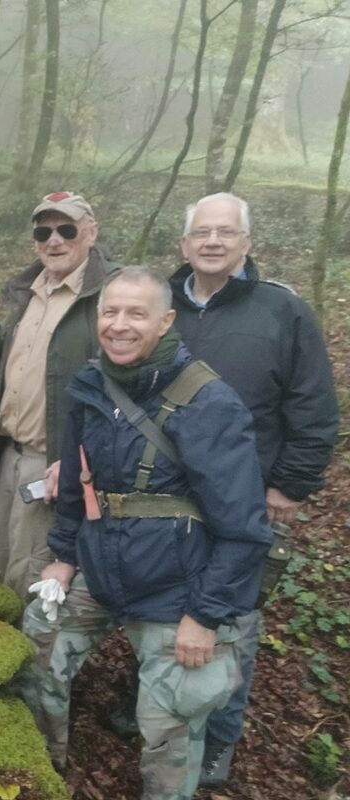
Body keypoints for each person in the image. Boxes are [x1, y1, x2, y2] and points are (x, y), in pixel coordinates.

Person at [19, 266, 273, 800]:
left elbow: (245, 530)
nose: (119, 325)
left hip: (177, 589)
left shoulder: (209, 403)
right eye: (110, 312)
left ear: (165, 321)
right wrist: (63, 557)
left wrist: (205, 616)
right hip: (100, 567)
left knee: (169, 723)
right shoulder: (89, 385)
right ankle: (40, 771)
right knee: (39, 636)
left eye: (136, 313)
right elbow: (72, 485)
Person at [168, 192, 339, 787]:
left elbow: (314, 406)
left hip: (244, 497)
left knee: (231, 620)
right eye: (201, 232)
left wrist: (289, 484)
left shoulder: (281, 312)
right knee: (166, 607)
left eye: (225, 232)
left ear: (246, 242)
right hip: (165, 492)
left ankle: (220, 738)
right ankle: (163, 704)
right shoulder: (161, 304)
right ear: (184, 243)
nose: (212, 242)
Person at [0, 192, 118, 596]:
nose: (54, 240)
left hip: (53, 460)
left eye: (66, 229)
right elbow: (11, 373)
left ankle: (32, 654)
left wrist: (76, 460)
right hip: (10, 453)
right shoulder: (29, 290)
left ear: (90, 232)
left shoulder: (107, 297)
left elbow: (118, 392)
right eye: (43, 231)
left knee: (32, 570)